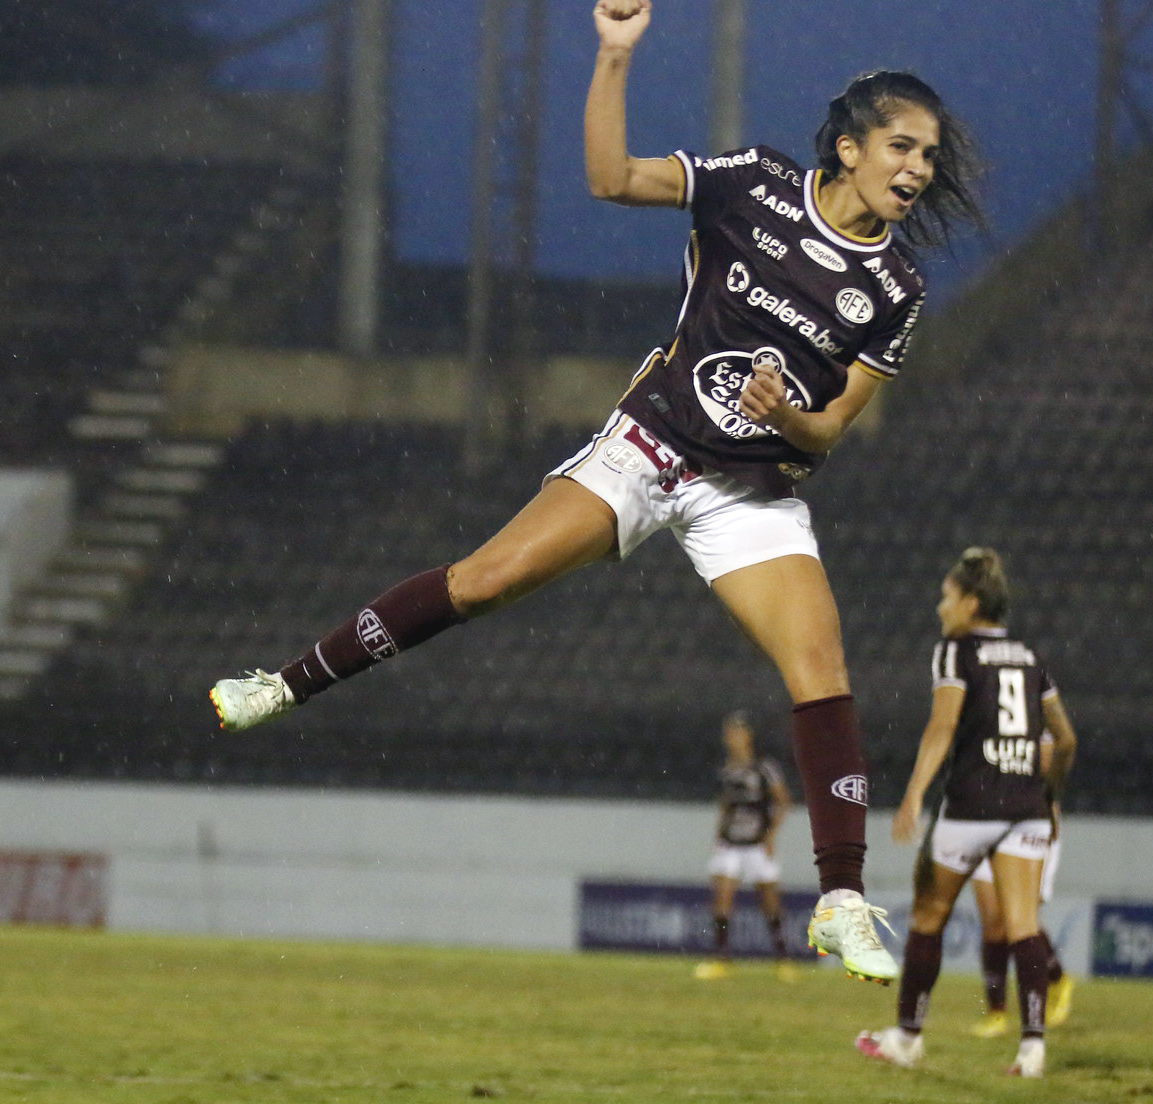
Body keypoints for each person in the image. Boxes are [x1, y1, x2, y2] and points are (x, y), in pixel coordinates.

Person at [208, 0, 984, 986]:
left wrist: (785, 415)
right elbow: (609, 179)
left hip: (747, 491)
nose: (916, 169)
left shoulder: (895, 291)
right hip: (649, 446)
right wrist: (613, 58)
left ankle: (836, 901)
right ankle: (283, 683)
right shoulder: (751, 185)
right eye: (900, 147)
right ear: (846, 145)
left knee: (819, 665)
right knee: (483, 582)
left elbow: (830, 430)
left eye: (926, 155)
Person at [855, 548, 1076, 1079]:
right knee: (1024, 925)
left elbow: (943, 726)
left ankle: (907, 1038)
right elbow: (1065, 739)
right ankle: (1031, 1051)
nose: (940, 608)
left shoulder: (955, 653)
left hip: (972, 803)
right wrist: (1049, 795)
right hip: (1025, 806)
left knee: (929, 915)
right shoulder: (1029, 657)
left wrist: (913, 793)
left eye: (947, 597)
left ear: (971, 603)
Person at [967, 728, 1073, 1038]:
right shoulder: (977, 702)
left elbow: (1057, 755)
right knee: (992, 920)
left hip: (1028, 820)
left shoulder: (1030, 697)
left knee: (1019, 919)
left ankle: (1057, 979)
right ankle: (997, 1013)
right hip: (984, 817)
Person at [694, 710, 798, 981]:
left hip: (757, 844)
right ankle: (721, 959)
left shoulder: (764, 768)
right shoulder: (727, 771)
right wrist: (718, 836)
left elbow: (784, 801)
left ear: (749, 736)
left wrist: (771, 836)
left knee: (770, 903)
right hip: (730, 843)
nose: (733, 739)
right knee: (722, 899)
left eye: (738, 733)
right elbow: (726, 805)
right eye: (730, 734)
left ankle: (783, 960)